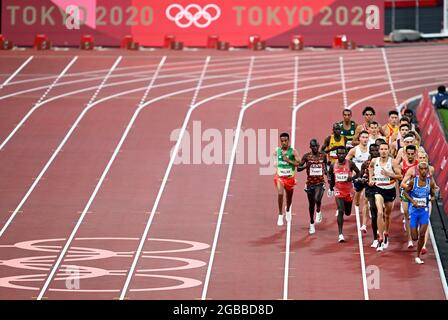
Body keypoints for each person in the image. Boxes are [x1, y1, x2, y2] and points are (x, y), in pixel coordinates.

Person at [401, 152, 440, 255]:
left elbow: (433, 192)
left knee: (423, 231)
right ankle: (414, 234)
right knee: (415, 237)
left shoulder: (430, 173)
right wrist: (412, 199)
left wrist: (433, 197)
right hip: (413, 209)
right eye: (420, 157)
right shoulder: (413, 176)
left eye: (424, 157)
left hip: (425, 208)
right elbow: (404, 188)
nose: (423, 170)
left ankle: (422, 248)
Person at [368, 142, 402, 251]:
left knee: (387, 215)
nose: (383, 151)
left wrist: (389, 174)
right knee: (380, 212)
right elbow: (370, 168)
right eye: (381, 149)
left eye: (385, 149)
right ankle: (380, 237)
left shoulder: (393, 162)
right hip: (378, 189)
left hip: (390, 190)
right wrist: (371, 178)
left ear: (388, 151)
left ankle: (386, 232)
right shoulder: (374, 160)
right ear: (379, 150)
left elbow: (400, 176)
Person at [328, 146, 360, 242]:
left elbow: (359, 173)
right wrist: (330, 188)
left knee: (348, 212)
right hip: (338, 190)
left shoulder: (350, 163)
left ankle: (344, 210)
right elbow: (331, 177)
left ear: (345, 154)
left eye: (343, 153)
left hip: (349, 191)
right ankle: (340, 234)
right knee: (341, 210)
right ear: (336, 155)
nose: (341, 155)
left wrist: (352, 178)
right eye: (339, 153)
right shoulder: (333, 165)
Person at [297, 139, 328, 234]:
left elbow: (326, 167)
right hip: (310, 183)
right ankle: (311, 223)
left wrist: (327, 174)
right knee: (311, 205)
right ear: (310, 147)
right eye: (313, 146)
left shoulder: (323, 156)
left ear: (318, 146)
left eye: (316, 146)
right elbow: (298, 168)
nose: (315, 148)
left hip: (320, 182)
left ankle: (318, 211)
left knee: (317, 199)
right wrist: (306, 167)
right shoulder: (306, 156)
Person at [273, 132, 300, 226]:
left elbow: (299, 164)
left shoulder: (293, 152)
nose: (284, 143)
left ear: (288, 141)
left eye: (285, 141)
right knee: (280, 193)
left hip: (290, 179)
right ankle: (280, 215)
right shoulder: (277, 150)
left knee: (289, 199)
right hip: (280, 177)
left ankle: (288, 209)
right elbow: (274, 157)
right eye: (282, 141)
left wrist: (288, 160)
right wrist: (276, 164)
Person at [346, 130, 370, 233]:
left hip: (368, 176)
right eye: (363, 137)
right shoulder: (354, 150)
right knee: (357, 201)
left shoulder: (371, 149)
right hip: (357, 177)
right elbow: (346, 162)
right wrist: (350, 174)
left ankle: (364, 225)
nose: (365, 139)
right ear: (359, 139)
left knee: (366, 200)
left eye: (366, 137)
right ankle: (355, 201)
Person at [360, 143, 380, 248]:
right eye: (373, 150)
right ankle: (375, 239)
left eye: (377, 150)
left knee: (382, 213)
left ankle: (382, 234)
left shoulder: (384, 162)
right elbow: (360, 176)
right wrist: (363, 180)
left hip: (382, 189)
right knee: (374, 213)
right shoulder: (365, 164)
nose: (375, 152)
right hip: (370, 190)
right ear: (370, 152)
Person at [398, 145, 419, 248]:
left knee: (415, 213)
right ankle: (409, 239)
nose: (410, 156)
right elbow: (401, 182)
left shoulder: (419, 165)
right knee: (406, 214)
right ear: (405, 154)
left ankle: (416, 229)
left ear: (415, 154)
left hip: (416, 192)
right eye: (408, 154)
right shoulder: (403, 164)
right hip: (405, 190)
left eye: (412, 154)